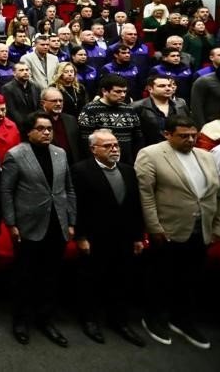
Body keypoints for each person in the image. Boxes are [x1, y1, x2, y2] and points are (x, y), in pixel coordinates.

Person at [135, 115, 220, 349]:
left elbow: (217, 194)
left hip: (201, 228)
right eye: (183, 136)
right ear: (167, 134)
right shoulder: (150, 154)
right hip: (168, 228)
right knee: (160, 277)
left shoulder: (206, 156)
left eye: (193, 135)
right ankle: (153, 318)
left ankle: (182, 319)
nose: (190, 140)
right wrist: (154, 227)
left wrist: (217, 226)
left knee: (191, 277)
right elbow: (146, 195)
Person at [1, 111, 76, 348]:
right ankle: (21, 321)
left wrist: (71, 220)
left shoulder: (60, 153)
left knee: (50, 276)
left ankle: (45, 319)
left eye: (49, 129)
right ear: (28, 131)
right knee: (25, 276)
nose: (46, 132)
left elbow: (68, 189)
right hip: (28, 225)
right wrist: (11, 223)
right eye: (41, 129)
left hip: (58, 224)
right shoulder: (15, 154)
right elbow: (6, 191)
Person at [71, 130, 146, 347]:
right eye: (108, 146)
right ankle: (89, 319)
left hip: (123, 237)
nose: (114, 149)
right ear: (93, 148)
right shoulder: (81, 171)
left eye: (116, 145)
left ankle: (119, 321)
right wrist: (81, 236)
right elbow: (78, 207)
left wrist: (137, 236)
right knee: (91, 279)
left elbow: (134, 207)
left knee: (121, 279)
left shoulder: (129, 171)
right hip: (95, 237)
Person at [77, 74, 144, 165]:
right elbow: (86, 142)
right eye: (118, 91)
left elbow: (138, 138)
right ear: (104, 91)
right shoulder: (90, 110)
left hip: (127, 163)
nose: (123, 95)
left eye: (124, 91)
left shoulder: (129, 109)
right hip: (101, 164)